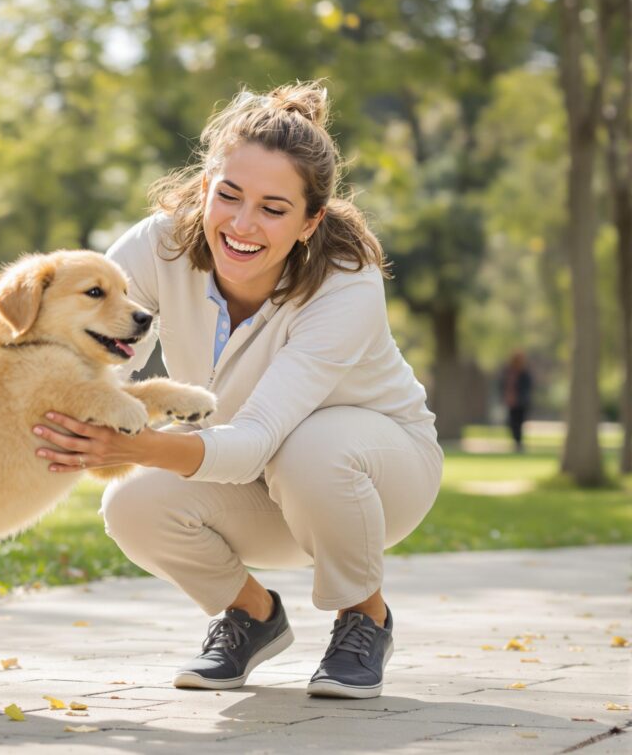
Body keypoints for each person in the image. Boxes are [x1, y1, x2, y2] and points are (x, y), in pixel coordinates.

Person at [30, 81, 444, 699]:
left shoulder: (346, 283)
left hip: (379, 474)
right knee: (132, 504)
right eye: (229, 196)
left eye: (274, 209)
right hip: (259, 477)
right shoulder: (155, 245)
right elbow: (86, 355)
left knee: (311, 445)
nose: (243, 225)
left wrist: (136, 446)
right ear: (205, 190)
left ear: (310, 222)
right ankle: (251, 616)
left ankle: (365, 618)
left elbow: (254, 441)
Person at [500, 350, 533, 453]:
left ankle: (518, 443)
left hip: (521, 402)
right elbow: (502, 385)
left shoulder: (524, 373)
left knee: (519, 422)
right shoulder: (508, 372)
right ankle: (516, 441)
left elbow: (527, 387)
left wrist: (520, 398)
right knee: (512, 422)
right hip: (511, 402)